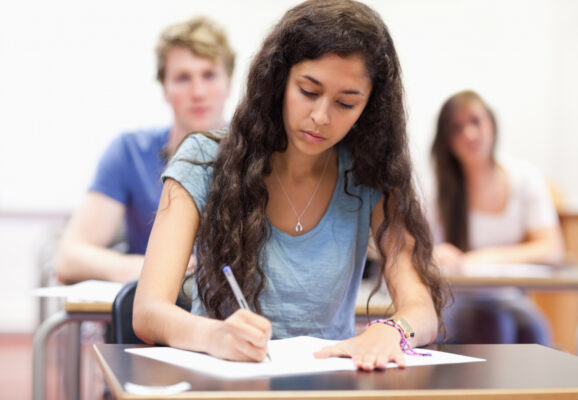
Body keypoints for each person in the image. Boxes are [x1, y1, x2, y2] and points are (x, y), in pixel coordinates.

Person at [133, 0, 445, 371]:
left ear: (369, 108)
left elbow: (422, 308)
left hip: (329, 386)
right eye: (309, 91)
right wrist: (213, 336)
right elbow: (148, 312)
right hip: (224, 384)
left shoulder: (370, 173)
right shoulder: (204, 158)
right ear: (278, 79)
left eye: (346, 103)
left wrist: (394, 330)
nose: (320, 117)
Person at [55, 16, 235, 284]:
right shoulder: (130, 153)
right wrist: (158, 268)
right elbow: (69, 258)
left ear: (228, 83)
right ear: (164, 88)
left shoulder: (256, 153)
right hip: (148, 315)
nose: (198, 92)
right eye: (183, 78)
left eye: (209, 75)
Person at [428, 90, 565, 344]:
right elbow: (420, 253)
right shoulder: (435, 188)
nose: (469, 134)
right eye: (457, 128)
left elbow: (552, 249)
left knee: (535, 332)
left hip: (509, 296)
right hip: (456, 299)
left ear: (491, 124)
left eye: (475, 122)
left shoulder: (524, 177)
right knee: (492, 325)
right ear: (446, 139)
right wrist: (436, 253)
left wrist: (482, 258)